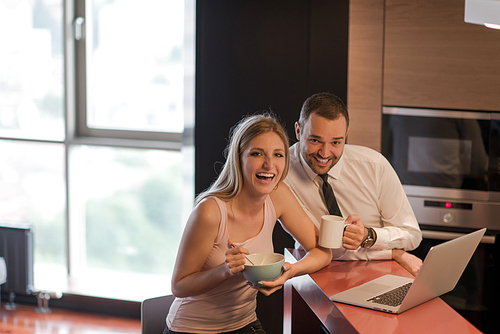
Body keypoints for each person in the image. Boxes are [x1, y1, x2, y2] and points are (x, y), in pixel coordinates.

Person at [166, 113, 332, 334]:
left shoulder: (277, 195)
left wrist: (290, 271)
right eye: (257, 154)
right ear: (239, 158)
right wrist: (225, 270)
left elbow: (322, 251)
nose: (269, 164)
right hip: (193, 328)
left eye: (278, 155)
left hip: (244, 324)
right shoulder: (210, 211)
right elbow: (179, 286)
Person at [284, 92, 423, 276]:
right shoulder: (280, 170)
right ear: (298, 131)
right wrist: (394, 253)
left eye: (336, 142)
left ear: (346, 135)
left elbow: (412, 235)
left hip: (376, 271)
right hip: (313, 273)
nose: (325, 153)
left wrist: (369, 236)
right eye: (315, 140)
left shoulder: (375, 166)